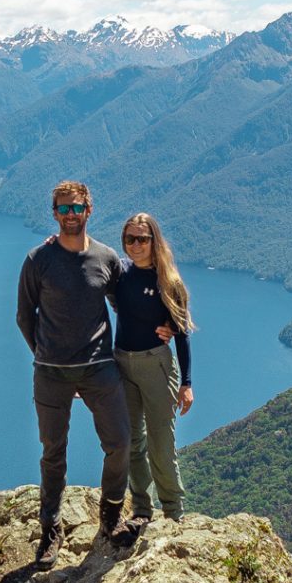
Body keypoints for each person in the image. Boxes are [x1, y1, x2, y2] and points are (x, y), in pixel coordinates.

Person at [16, 180, 136, 572]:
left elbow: (126, 305)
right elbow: (24, 316)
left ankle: (111, 517)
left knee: (119, 442)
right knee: (54, 453)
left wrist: (165, 325)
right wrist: (46, 355)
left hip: (99, 368)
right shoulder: (38, 260)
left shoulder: (106, 258)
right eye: (63, 209)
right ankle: (51, 527)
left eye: (76, 208)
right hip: (51, 373)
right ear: (54, 213)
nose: (70, 215)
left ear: (89, 210)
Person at [113, 213, 195, 525]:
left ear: (154, 241)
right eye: (129, 239)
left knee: (161, 444)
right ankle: (142, 510)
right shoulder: (119, 273)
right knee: (132, 441)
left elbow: (182, 334)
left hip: (155, 364)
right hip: (122, 363)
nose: (135, 245)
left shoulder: (168, 282)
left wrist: (186, 383)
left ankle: (173, 512)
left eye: (142, 239)